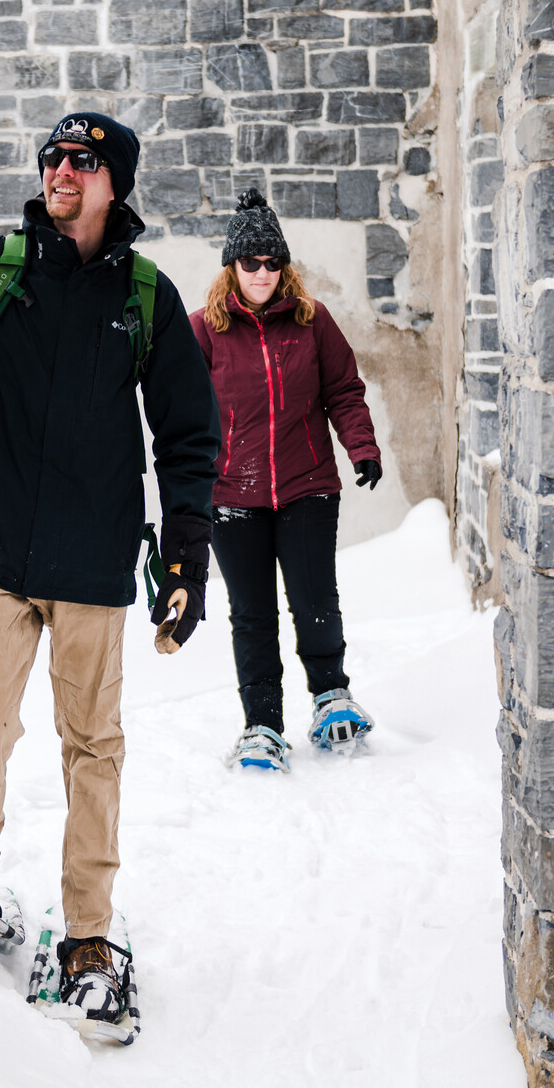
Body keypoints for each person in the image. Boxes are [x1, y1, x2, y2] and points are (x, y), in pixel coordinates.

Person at [0, 109, 220, 1026]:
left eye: (80, 159)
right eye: (52, 157)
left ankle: (89, 935)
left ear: (115, 180)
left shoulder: (145, 296)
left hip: (90, 557)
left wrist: (187, 552)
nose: (59, 170)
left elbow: (190, 432)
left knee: (93, 748)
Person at [189, 190, 385, 774]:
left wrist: (362, 448)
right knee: (252, 614)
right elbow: (185, 413)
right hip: (232, 496)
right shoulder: (204, 329)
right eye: (251, 263)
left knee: (314, 598)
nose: (262, 274)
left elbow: (343, 390)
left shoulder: (312, 320)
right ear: (232, 265)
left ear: (285, 267)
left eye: (273, 263)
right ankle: (262, 725)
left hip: (306, 486)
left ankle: (331, 698)